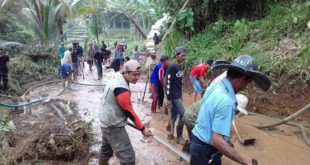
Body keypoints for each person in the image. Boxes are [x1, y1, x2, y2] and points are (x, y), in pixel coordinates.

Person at [190, 55, 271, 165]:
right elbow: (217, 140)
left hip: (197, 141)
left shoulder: (216, 86)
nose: (245, 87)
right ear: (241, 80)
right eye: (246, 83)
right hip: (205, 149)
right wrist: (245, 161)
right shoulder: (227, 101)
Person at [98, 60, 152, 165]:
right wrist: (142, 128)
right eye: (134, 75)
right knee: (128, 158)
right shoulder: (121, 89)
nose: (137, 77)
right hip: (113, 125)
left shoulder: (118, 75)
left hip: (105, 120)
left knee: (106, 151)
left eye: (138, 75)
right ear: (126, 73)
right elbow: (129, 112)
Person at [165, 47, 186, 144]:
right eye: (182, 55)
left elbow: (179, 82)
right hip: (173, 96)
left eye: (185, 55)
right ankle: (179, 136)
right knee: (183, 114)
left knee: (174, 114)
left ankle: (169, 132)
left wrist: (181, 94)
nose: (184, 57)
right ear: (177, 55)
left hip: (178, 94)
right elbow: (168, 83)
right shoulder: (172, 66)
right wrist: (168, 98)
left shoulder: (179, 66)